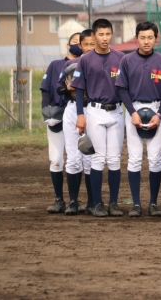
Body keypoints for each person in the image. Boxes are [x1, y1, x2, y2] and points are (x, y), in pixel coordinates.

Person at [71, 19, 125, 218]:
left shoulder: (120, 58)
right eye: (101, 34)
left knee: (114, 159)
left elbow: (125, 88)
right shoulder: (85, 60)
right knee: (98, 158)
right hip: (95, 111)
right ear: (93, 36)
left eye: (108, 34)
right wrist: (80, 115)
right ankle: (97, 203)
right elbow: (79, 89)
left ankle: (113, 203)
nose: (105, 38)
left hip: (116, 111)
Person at [115, 21, 161, 218]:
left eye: (150, 37)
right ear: (136, 38)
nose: (146, 41)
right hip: (135, 109)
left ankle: (153, 203)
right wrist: (132, 112)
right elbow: (122, 88)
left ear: (156, 38)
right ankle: (136, 204)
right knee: (135, 158)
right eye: (142, 37)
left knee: (155, 158)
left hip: (156, 109)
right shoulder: (127, 60)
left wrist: (160, 114)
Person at [41, 32, 81, 214]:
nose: (78, 44)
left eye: (81, 42)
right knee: (56, 159)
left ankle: (75, 201)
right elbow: (45, 89)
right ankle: (59, 200)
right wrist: (45, 108)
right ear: (68, 45)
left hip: (76, 114)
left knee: (78, 159)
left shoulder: (86, 64)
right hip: (58, 113)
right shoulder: (55, 65)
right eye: (75, 42)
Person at [57, 30, 96, 215]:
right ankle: (73, 201)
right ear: (79, 46)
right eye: (85, 44)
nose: (89, 48)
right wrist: (67, 87)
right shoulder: (71, 64)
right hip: (73, 110)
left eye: (92, 44)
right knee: (73, 158)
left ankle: (91, 202)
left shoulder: (101, 64)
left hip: (94, 109)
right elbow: (59, 88)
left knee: (90, 158)